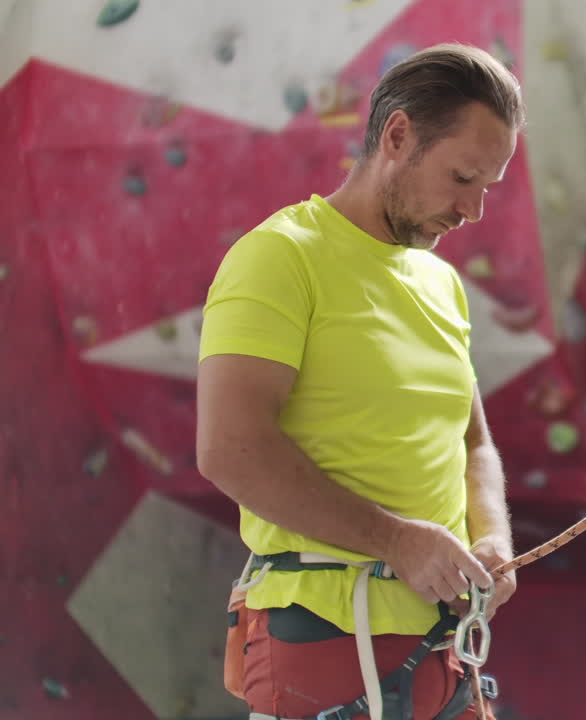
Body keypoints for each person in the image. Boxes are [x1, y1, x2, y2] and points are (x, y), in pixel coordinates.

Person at [196, 43, 524, 720]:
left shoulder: (443, 285)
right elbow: (231, 449)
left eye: (487, 187)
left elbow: (474, 443)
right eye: (463, 177)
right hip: (325, 636)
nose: (474, 210)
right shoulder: (281, 257)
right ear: (398, 136)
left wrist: (492, 536)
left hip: (443, 644)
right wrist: (399, 541)